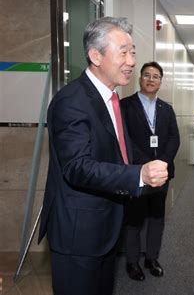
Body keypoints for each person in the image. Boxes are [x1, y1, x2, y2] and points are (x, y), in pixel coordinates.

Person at [38, 17, 168, 295]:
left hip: (106, 227)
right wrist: (138, 175)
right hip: (79, 234)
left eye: (132, 52)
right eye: (123, 52)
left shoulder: (110, 98)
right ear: (95, 55)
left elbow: (115, 152)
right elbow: (77, 167)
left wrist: (140, 165)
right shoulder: (72, 101)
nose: (132, 61)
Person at [121, 61, 180, 281]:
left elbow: (174, 138)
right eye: (147, 75)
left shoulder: (166, 108)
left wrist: (162, 162)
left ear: (160, 81)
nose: (151, 79)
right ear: (140, 79)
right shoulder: (126, 105)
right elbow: (124, 139)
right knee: (134, 218)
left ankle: (151, 258)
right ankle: (132, 262)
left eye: (156, 76)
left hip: (162, 173)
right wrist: (147, 165)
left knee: (157, 217)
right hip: (136, 173)